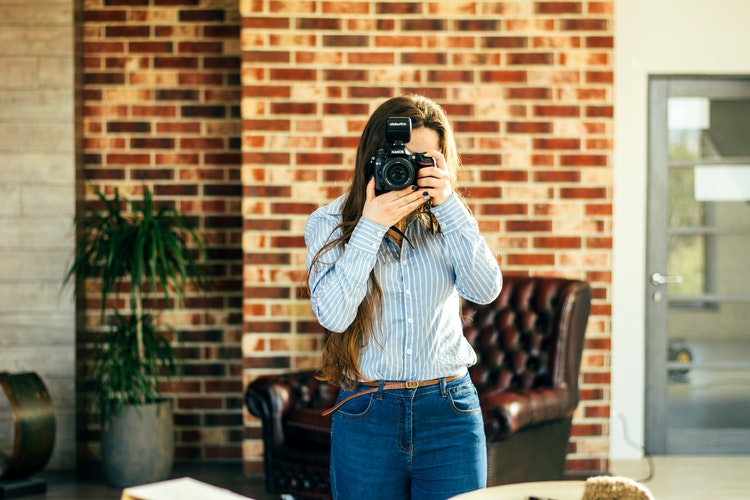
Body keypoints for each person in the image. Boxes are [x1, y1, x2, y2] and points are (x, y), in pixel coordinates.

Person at [305, 94, 503, 500]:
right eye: (401, 157)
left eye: (423, 161)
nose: (409, 171)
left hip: (450, 411)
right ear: (372, 159)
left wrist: (449, 206)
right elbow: (335, 317)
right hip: (366, 413)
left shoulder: (449, 220)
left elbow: (485, 290)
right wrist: (369, 227)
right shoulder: (328, 222)